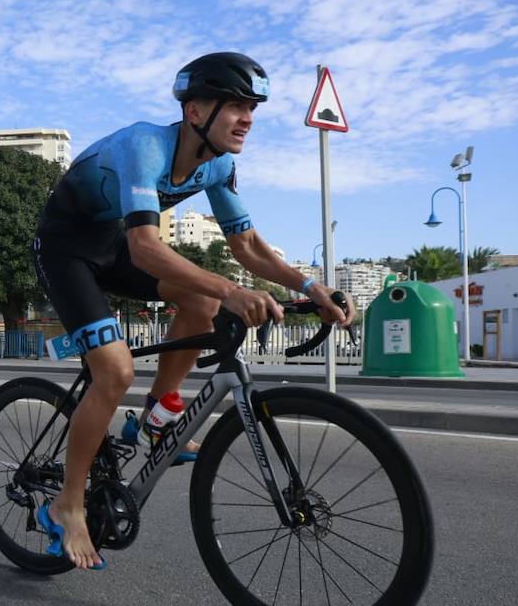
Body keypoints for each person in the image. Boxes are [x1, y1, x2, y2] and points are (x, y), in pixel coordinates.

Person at [31, 52, 354, 571]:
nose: (248, 118)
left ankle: (158, 417)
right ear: (195, 112)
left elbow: (246, 244)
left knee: (201, 299)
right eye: (236, 106)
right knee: (113, 372)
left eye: (253, 108)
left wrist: (311, 285)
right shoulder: (144, 147)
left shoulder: (220, 165)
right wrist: (232, 291)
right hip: (68, 247)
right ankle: (66, 504)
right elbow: (144, 247)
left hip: (113, 244)